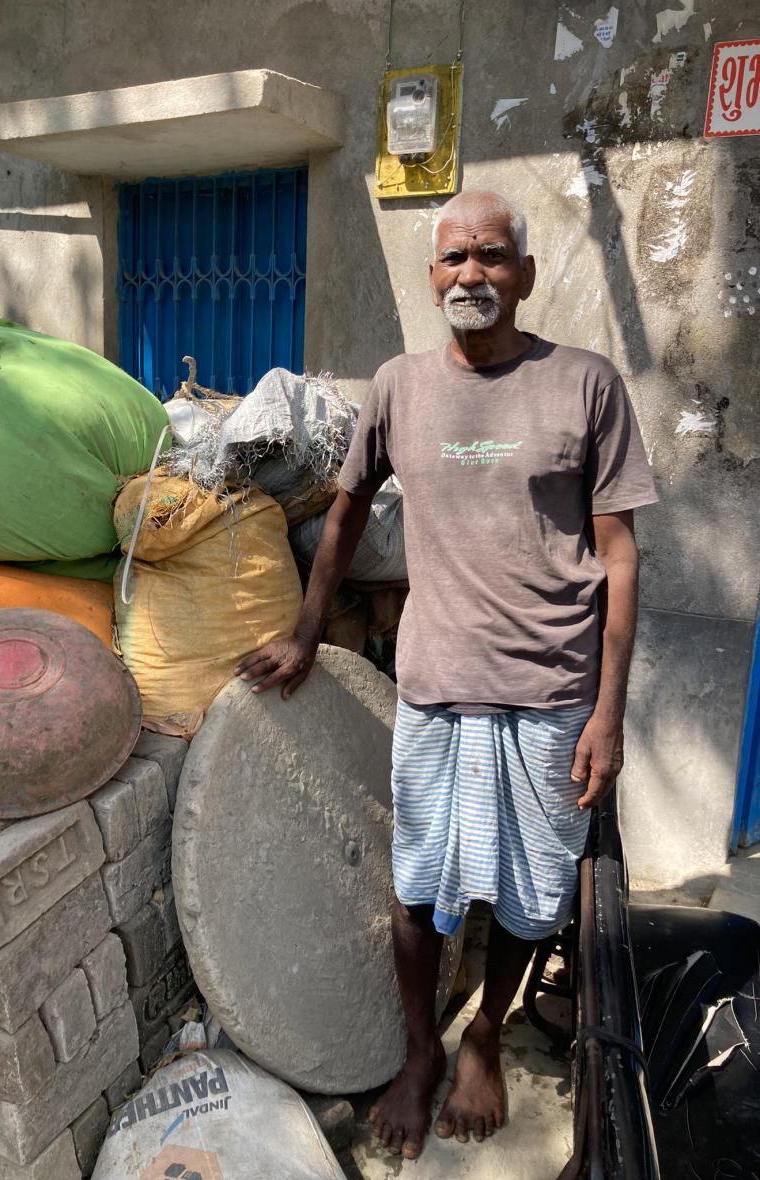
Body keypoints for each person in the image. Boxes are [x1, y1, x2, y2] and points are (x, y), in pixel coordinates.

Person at [234, 189, 658, 1159]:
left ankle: (485, 1034)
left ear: (526, 273)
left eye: (492, 257)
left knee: (529, 892)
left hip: (551, 695)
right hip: (434, 686)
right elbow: (342, 514)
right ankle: (421, 1050)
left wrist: (610, 713)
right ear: (433, 277)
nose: (471, 274)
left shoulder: (584, 386)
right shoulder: (398, 385)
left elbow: (620, 553)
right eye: (454, 258)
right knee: (421, 886)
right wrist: (305, 631)